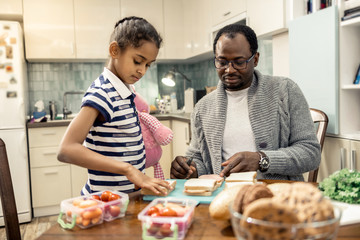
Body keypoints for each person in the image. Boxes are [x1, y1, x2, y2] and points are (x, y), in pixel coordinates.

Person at [170, 24, 321, 181]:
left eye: (239, 62)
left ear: (255, 59)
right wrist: (189, 169)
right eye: (222, 62)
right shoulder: (203, 107)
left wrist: (261, 159)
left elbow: (311, 153)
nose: (229, 70)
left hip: (277, 195)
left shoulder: (285, 91)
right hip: (224, 195)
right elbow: (199, 159)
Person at [58, 16, 171, 195]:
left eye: (148, 65)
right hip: (103, 202)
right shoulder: (102, 92)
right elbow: (66, 149)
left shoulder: (124, 92)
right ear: (115, 50)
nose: (142, 70)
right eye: (137, 61)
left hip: (123, 200)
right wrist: (128, 169)